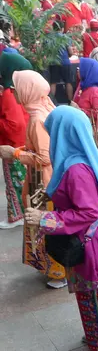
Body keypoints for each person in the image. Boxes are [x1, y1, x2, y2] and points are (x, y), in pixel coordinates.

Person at [24, 106, 98, 351]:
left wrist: (45, 219)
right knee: (97, 292)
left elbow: (86, 210)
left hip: (91, 240)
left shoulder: (75, 169)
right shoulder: (91, 155)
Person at [0, 71, 67, 287]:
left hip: (45, 180)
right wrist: (21, 149)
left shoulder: (37, 118)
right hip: (49, 177)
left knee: (46, 223)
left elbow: (44, 156)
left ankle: (58, 271)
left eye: (17, 87)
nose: (14, 91)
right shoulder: (43, 108)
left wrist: (16, 154)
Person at [0, 52, 30, 229]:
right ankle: (20, 213)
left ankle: (17, 215)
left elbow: (14, 124)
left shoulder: (9, 94)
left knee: (14, 181)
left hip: (13, 145)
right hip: (21, 142)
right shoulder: (17, 90)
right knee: (20, 181)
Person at [74, 58, 98, 156]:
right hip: (89, 128)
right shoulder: (83, 87)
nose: (77, 70)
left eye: (80, 68)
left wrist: (79, 110)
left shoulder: (95, 91)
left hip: (97, 132)